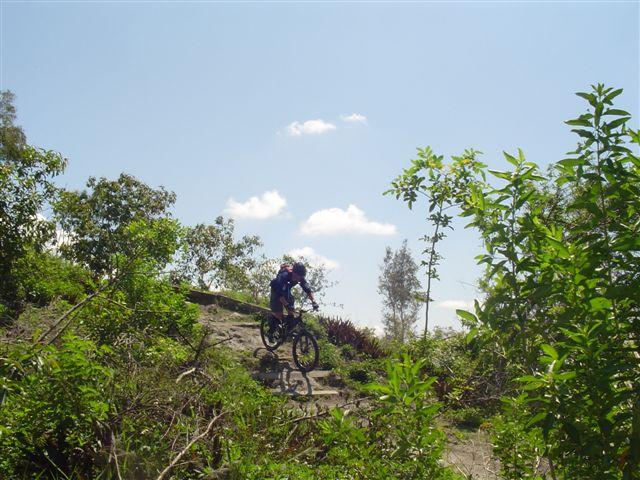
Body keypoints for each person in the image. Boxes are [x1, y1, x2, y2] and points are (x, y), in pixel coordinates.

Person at [269, 262, 319, 328]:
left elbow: (308, 289)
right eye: (298, 276)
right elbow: (279, 293)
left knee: (291, 312)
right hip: (276, 290)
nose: (299, 278)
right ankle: (270, 331)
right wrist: (286, 304)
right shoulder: (284, 275)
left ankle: (286, 330)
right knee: (279, 314)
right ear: (294, 273)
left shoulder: (300, 277)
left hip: (286, 291)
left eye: (301, 277)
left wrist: (313, 302)